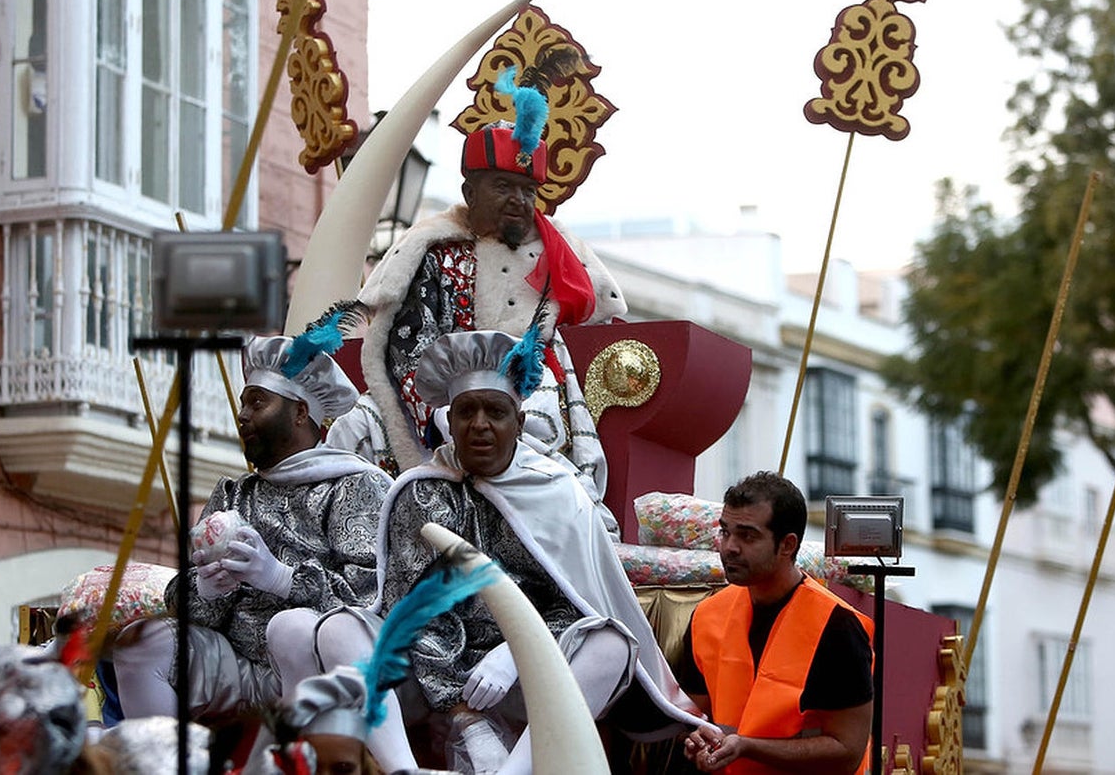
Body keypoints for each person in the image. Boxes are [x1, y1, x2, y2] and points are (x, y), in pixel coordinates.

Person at [300, 330, 705, 774]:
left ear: (518, 419)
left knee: (610, 645)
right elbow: (413, 611)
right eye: (466, 412)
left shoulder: (559, 492)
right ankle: (403, 769)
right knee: (338, 628)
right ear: (449, 421)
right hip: (431, 677)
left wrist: (515, 651)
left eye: (495, 412)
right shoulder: (420, 493)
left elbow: (579, 605)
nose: (479, 425)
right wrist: (464, 715)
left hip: (530, 678)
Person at [328, 114, 625, 536]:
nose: (518, 201)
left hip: (527, 388)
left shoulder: (557, 254)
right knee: (358, 425)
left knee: (538, 425)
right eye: (503, 187)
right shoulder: (436, 253)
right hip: (443, 394)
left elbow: (589, 319)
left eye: (527, 191)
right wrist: (444, 414)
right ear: (470, 192)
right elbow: (410, 349)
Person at [112, 334, 392, 723]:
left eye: (257, 402)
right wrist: (208, 590)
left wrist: (280, 579)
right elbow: (181, 599)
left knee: (291, 627)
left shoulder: (355, 484)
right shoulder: (233, 493)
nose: (242, 415)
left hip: (316, 663)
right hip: (237, 665)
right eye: (243, 402)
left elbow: (371, 598)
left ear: (299, 411)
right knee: (140, 643)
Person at [679, 472, 874, 774]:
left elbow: (847, 750)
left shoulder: (837, 626)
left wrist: (747, 746)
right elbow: (695, 717)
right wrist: (698, 741)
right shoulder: (707, 616)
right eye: (725, 532)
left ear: (787, 545)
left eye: (747, 535)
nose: (729, 547)